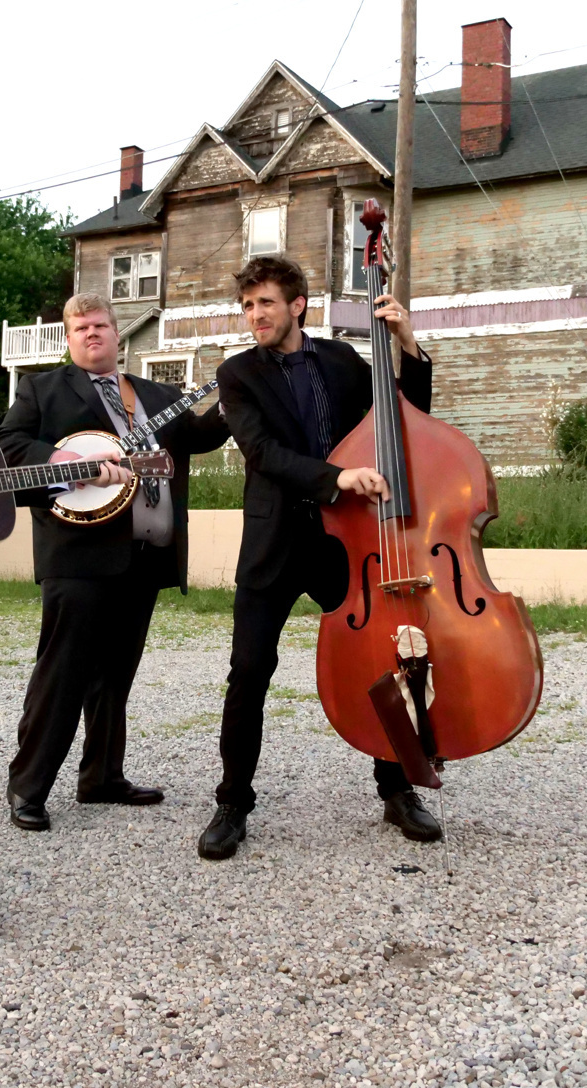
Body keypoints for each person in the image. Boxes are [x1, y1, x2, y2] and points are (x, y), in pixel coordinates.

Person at [198, 254, 443, 860]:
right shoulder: (236, 375)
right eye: (249, 304)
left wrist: (407, 345)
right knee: (249, 673)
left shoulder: (340, 361)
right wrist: (338, 477)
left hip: (348, 543)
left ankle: (397, 790)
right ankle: (233, 803)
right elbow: (263, 454)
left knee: (380, 662)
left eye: (266, 303)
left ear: (297, 306)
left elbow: (404, 418)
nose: (255, 314)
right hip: (275, 542)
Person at [0, 293, 230, 832]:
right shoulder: (43, 390)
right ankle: (27, 786)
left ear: (116, 332)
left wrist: (235, 395)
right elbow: (8, 446)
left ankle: (101, 777)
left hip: (145, 555)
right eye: (79, 328)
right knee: (63, 673)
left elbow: (201, 436)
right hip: (77, 553)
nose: (90, 334)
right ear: (68, 336)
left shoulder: (156, 394)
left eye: (99, 324)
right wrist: (65, 460)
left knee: (114, 677)